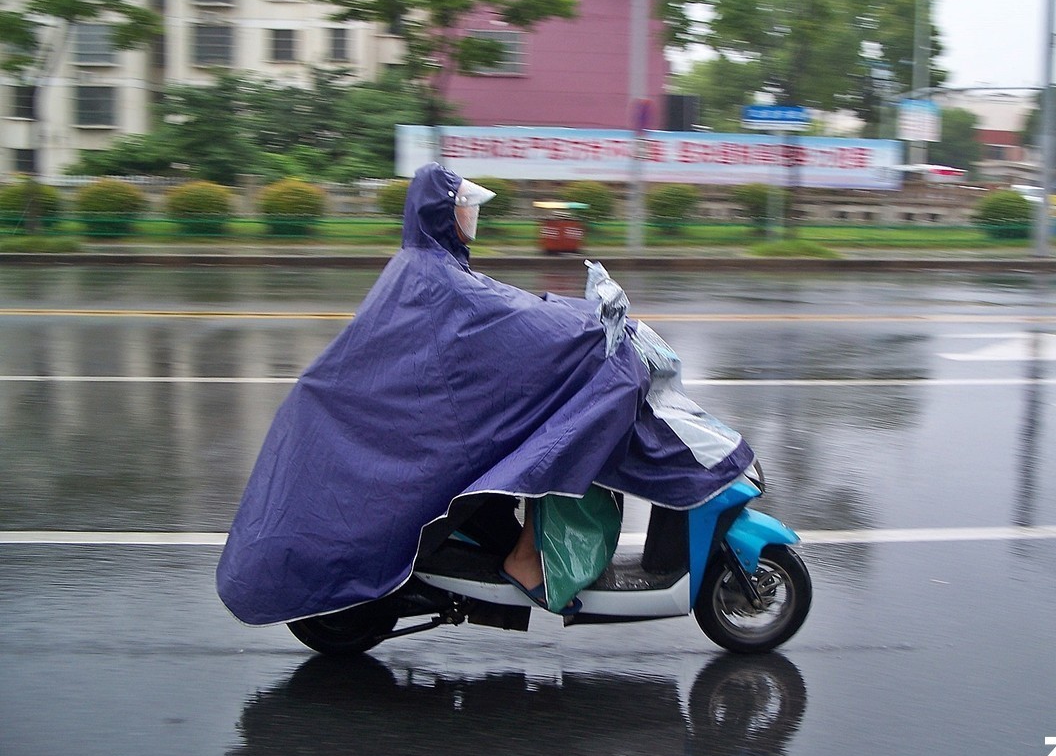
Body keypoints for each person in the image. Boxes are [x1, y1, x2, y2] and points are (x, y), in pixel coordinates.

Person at [216, 162, 753, 627]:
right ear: (443, 213)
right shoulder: (434, 275)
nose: (473, 216)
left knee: (550, 428)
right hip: (432, 429)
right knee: (561, 431)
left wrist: (575, 313)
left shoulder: (434, 264)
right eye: (465, 206)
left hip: (438, 417)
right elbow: (503, 319)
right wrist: (586, 330)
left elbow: (508, 307)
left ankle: (526, 554)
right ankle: (525, 560)